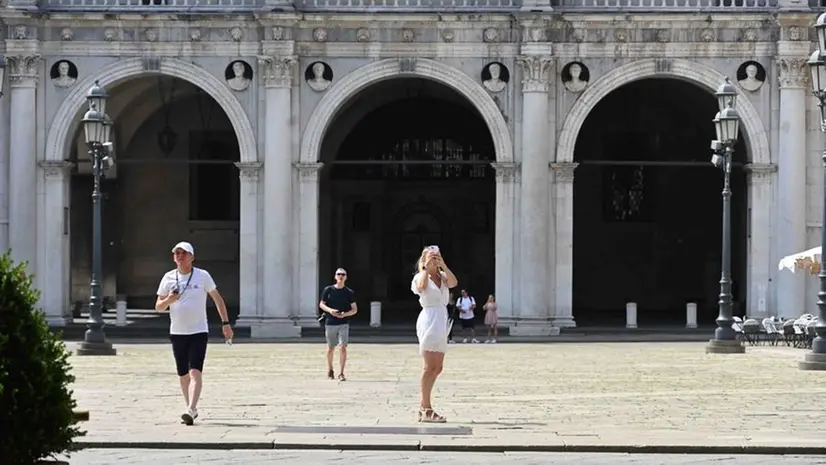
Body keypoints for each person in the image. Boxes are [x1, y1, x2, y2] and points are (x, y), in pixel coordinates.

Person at [155, 241, 233, 426]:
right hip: (177, 332)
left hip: (198, 330)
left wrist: (226, 323)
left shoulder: (202, 276)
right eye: (177, 253)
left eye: (184, 253)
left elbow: (218, 299)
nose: (180, 256)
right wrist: (169, 299)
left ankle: (191, 408)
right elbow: (158, 307)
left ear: (192, 257)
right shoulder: (168, 277)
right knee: (183, 374)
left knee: (195, 371)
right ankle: (190, 407)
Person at [411, 245, 458, 423]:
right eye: (431, 257)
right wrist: (425, 268)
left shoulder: (443, 276)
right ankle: (426, 408)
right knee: (429, 366)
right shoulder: (419, 277)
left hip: (441, 318)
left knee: (438, 367)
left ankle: (424, 407)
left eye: (437, 256)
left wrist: (443, 266)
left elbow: (453, 283)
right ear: (423, 260)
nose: (434, 259)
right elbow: (422, 287)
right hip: (429, 318)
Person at [319, 268, 357, 381]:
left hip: (343, 323)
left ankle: (341, 373)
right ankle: (330, 369)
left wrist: (345, 314)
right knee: (331, 347)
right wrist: (330, 311)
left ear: (346, 277)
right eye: (338, 274)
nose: (340, 276)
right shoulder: (328, 290)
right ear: (335, 276)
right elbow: (322, 304)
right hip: (330, 322)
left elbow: (354, 309)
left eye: (343, 274)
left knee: (343, 347)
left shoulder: (349, 292)